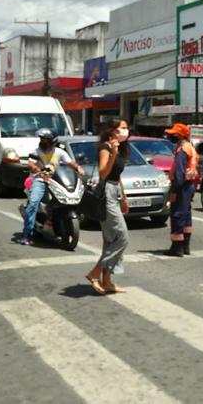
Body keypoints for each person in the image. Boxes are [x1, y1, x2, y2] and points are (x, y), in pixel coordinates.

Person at [84, 117, 131, 295]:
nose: (125, 131)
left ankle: (107, 281)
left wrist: (124, 197)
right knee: (122, 237)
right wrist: (112, 153)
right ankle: (95, 273)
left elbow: (117, 176)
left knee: (111, 240)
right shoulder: (105, 147)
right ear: (112, 130)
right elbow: (104, 174)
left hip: (115, 192)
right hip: (106, 193)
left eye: (126, 128)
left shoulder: (122, 148)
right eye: (122, 128)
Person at [13, 128, 84, 245]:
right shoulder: (37, 152)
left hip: (55, 180)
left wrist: (78, 168)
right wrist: (38, 169)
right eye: (41, 139)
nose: (42, 141)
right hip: (40, 179)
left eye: (45, 139)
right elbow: (31, 164)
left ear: (52, 140)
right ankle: (26, 234)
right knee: (34, 203)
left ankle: (54, 217)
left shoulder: (60, 152)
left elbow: (70, 163)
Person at [164, 123, 196, 257]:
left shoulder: (182, 150)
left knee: (177, 214)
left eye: (173, 134)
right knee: (186, 215)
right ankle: (185, 246)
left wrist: (174, 192)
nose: (170, 136)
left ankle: (177, 248)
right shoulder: (189, 147)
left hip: (181, 186)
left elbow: (179, 174)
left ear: (179, 135)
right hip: (189, 185)